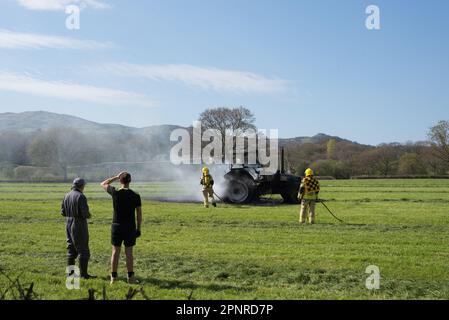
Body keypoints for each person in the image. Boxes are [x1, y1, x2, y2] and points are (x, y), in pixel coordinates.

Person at [101, 172, 142, 284]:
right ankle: (130, 277)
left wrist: (115, 176)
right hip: (129, 227)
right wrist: (138, 229)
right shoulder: (135, 195)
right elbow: (138, 214)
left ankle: (113, 277)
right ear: (130, 181)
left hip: (116, 226)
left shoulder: (115, 192)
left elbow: (103, 183)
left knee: (115, 251)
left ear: (120, 181)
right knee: (129, 252)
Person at [61, 178, 96, 279]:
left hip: (68, 223)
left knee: (71, 250)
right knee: (83, 250)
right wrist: (89, 215)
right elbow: (85, 214)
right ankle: (84, 275)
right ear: (82, 186)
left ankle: (71, 274)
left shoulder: (66, 195)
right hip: (79, 224)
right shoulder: (81, 196)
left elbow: (62, 212)